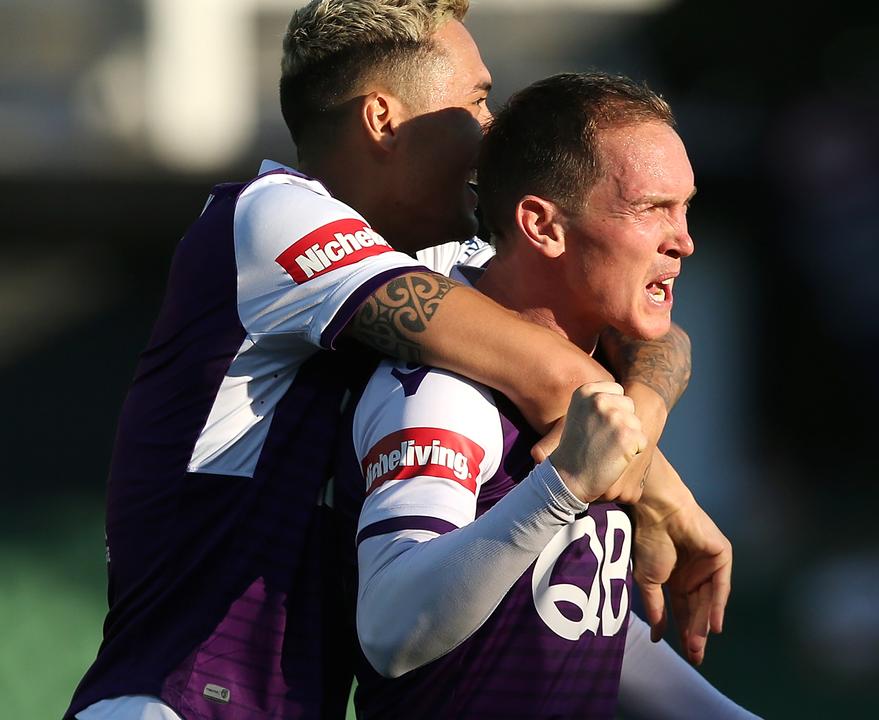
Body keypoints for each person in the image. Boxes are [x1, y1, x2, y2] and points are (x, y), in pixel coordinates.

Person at [65, 2, 728, 719]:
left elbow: (659, 336)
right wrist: (672, 503)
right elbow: (554, 375)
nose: (490, 127)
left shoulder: (434, 258)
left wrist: (643, 423)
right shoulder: (269, 218)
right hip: (169, 701)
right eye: (475, 99)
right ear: (383, 119)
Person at [343, 72, 756, 719]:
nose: (683, 240)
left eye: (685, 208)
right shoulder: (442, 392)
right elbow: (393, 629)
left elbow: (568, 628)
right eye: (652, 209)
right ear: (542, 226)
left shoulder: (600, 372)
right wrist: (561, 486)